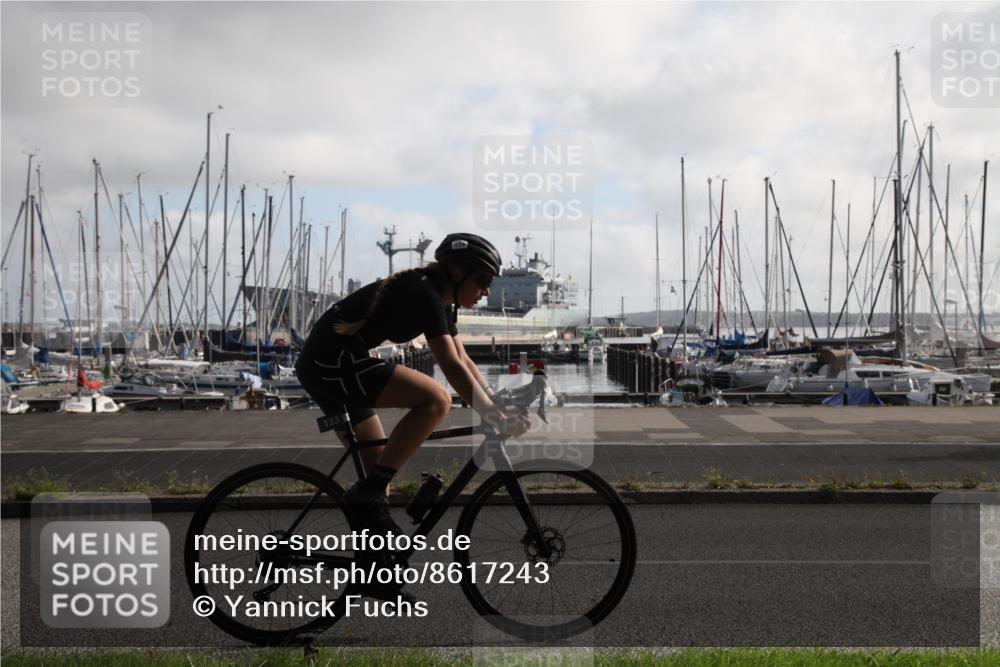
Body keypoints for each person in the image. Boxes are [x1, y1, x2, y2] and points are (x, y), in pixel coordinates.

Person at [295, 233, 530, 537]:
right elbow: (451, 366)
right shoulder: (424, 294)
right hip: (332, 366)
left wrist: (493, 401)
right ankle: (369, 503)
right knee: (436, 399)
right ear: (457, 273)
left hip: (330, 366)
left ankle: (376, 571)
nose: (486, 291)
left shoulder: (440, 298)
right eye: (483, 280)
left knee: (379, 470)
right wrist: (493, 415)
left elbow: (463, 358)